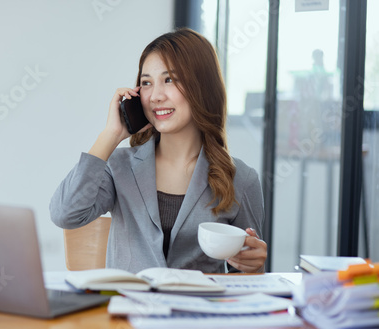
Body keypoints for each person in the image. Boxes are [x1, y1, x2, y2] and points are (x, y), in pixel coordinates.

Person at [50, 28, 266, 274]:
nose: (155, 96)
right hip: (128, 308)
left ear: (202, 87)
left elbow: (245, 281)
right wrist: (110, 135)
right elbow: (64, 214)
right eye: (146, 83)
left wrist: (254, 267)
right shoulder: (119, 167)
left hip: (197, 310)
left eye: (170, 79)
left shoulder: (242, 179)